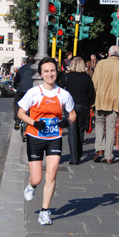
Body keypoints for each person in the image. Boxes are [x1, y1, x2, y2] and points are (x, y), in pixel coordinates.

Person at [18, 57, 76, 225]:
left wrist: (67, 121)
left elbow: (72, 114)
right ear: (41, 74)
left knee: (51, 175)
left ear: (56, 72)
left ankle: (44, 212)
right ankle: (31, 186)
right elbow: (21, 113)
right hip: (35, 137)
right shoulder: (34, 93)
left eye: (52, 70)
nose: (50, 74)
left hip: (54, 138)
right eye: (46, 71)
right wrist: (34, 122)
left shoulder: (64, 94)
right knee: (37, 178)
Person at [92, 45, 119, 164]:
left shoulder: (101, 64)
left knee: (99, 123)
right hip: (116, 101)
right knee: (111, 127)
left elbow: (95, 82)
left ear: (109, 54)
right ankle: (109, 155)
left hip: (101, 100)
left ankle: (99, 149)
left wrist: (93, 98)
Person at [60, 56, 94, 165]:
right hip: (83, 105)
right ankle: (79, 153)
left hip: (69, 106)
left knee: (72, 129)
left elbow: (60, 91)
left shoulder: (66, 77)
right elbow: (91, 93)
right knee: (80, 129)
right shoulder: (87, 78)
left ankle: (74, 158)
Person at [13, 55, 35, 130]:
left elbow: (16, 79)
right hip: (32, 89)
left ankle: (17, 120)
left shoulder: (22, 69)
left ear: (26, 62)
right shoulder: (36, 69)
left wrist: (15, 86)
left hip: (21, 89)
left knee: (17, 103)